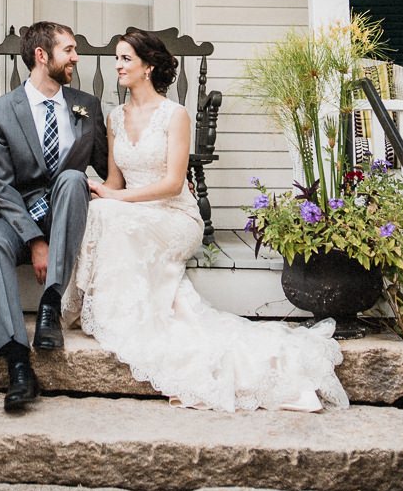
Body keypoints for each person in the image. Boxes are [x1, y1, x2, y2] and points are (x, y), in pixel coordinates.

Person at [62, 27, 349, 412]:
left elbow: (172, 183)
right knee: (100, 210)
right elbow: (114, 181)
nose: (118, 65)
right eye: (116, 58)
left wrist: (117, 197)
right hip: (133, 209)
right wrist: (95, 187)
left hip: (174, 215)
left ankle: (123, 317)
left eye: (125, 58)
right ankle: (115, 310)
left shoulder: (174, 115)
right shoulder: (115, 117)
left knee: (114, 214)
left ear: (148, 67)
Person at [0, 20, 107, 412]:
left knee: (70, 179)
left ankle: (50, 304)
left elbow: (109, 167)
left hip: (66, 209)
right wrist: (34, 239)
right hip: (15, 214)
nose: (76, 58)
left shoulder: (86, 105)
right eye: (69, 50)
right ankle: (17, 362)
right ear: (41, 56)